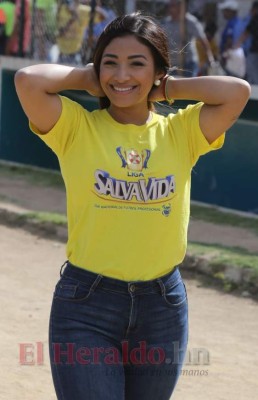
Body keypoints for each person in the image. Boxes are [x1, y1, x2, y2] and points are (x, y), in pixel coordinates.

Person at [14, 12, 250, 400]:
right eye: (111, 63)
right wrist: (89, 78)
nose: (121, 75)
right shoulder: (76, 127)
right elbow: (27, 82)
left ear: (159, 70)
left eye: (136, 63)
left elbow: (236, 91)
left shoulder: (182, 131)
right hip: (86, 306)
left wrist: (166, 88)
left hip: (163, 308)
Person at [161, 0, 215, 77]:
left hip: (188, 63)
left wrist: (210, 58)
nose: (170, 9)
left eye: (172, 6)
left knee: (188, 87)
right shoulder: (166, 23)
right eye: (169, 6)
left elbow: (203, 40)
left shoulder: (190, 22)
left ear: (180, 7)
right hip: (172, 64)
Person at [235, 1, 258, 84]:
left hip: (254, 52)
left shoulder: (255, 19)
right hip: (254, 51)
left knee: (252, 70)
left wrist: (237, 46)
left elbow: (245, 34)